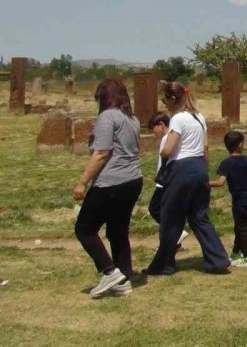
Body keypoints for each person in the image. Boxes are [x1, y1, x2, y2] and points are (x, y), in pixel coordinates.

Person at [143, 82, 230, 275]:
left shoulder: (178, 118)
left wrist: (163, 155)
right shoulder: (199, 117)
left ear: (173, 99)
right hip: (199, 167)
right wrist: (203, 171)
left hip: (181, 170)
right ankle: (218, 259)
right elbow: (206, 148)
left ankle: (164, 265)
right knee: (199, 217)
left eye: (165, 100)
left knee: (170, 217)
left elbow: (169, 148)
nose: (164, 104)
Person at [73, 78, 143, 297]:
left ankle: (109, 271)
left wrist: (82, 182)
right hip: (133, 180)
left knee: (84, 229)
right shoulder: (132, 118)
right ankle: (124, 276)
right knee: (117, 231)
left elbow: (101, 154)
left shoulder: (106, 116)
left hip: (111, 182)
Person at [210, 131, 247, 268]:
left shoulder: (226, 163)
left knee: (243, 227)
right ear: (240, 145)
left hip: (240, 199)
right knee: (239, 226)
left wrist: (205, 183)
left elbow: (220, 182)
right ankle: (236, 252)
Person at [147, 113, 189, 247]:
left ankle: (177, 232)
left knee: (154, 208)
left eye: (153, 128)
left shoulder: (167, 138)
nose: (153, 132)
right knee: (167, 211)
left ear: (161, 124)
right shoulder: (169, 137)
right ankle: (174, 241)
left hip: (164, 181)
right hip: (167, 180)